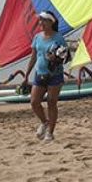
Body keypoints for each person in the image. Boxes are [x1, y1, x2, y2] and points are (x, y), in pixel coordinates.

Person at [23, 11, 67, 141]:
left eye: (43, 20)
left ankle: (50, 133)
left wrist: (55, 57)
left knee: (51, 103)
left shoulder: (58, 38)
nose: (40, 23)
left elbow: (64, 56)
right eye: (40, 20)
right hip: (39, 73)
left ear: (51, 22)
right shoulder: (37, 37)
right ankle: (44, 122)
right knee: (34, 102)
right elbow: (33, 56)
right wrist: (27, 74)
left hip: (55, 74)